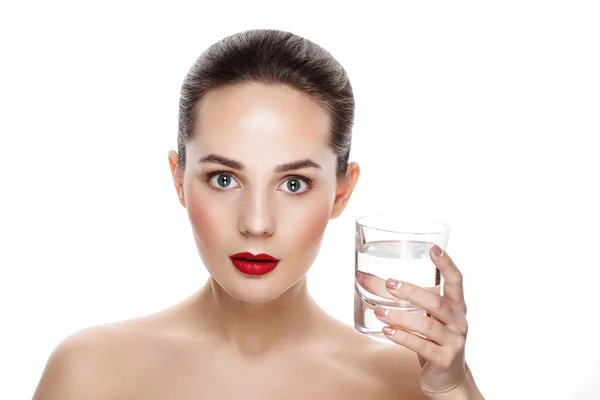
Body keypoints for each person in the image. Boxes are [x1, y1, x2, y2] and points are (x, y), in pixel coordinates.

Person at [32, 29, 484, 399]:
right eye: (224, 179)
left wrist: (454, 391)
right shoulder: (89, 372)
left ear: (342, 192)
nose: (257, 222)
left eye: (293, 184)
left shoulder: (410, 383)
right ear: (178, 179)